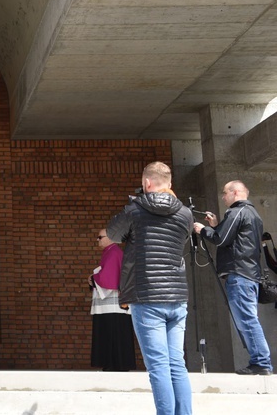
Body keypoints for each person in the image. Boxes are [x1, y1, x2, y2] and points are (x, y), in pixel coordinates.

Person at [106, 162, 193, 415]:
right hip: (177, 297)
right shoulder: (186, 213)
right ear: (170, 184)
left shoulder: (135, 209)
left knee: (158, 366)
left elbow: (112, 232)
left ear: (146, 183)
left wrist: (135, 202)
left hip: (146, 296)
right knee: (177, 363)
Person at [193, 180, 273, 375]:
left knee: (247, 320)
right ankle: (260, 361)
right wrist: (216, 226)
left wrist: (202, 230)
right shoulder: (254, 214)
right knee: (248, 319)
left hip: (239, 275)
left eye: (225, 193)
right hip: (249, 275)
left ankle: (261, 362)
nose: (223, 196)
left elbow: (220, 239)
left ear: (236, 193)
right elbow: (233, 237)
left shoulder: (236, 211)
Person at [88, 229, 136, 372]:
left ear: (110, 238)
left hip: (114, 306)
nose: (98, 240)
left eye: (100, 237)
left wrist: (93, 278)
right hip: (111, 307)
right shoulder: (110, 252)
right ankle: (113, 364)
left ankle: (115, 365)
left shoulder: (113, 252)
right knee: (112, 334)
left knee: (113, 334)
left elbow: (107, 278)